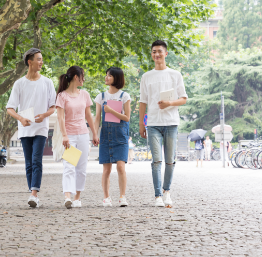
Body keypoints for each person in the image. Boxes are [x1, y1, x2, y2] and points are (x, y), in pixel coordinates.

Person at [139, 40, 188, 207]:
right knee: (156, 161)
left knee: (170, 160)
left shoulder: (175, 75)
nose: (156, 54)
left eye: (159, 51)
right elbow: (142, 102)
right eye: (153, 51)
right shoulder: (146, 76)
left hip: (171, 123)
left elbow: (183, 99)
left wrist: (169, 104)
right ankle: (157, 195)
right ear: (151, 54)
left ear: (166, 53)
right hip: (152, 123)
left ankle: (167, 191)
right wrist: (141, 124)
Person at [6, 48, 56, 208]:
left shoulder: (47, 82)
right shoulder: (19, 84)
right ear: (30, 62)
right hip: (25, 129)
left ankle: (34, 194)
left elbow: (53, 106)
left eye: (42, 59)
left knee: (36, 160)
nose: (41, 62)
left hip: (41, 128)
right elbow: (10, 108)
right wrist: (20, 118)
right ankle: (32, 192)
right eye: (39, 59)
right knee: (28, 163)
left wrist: (44, 115)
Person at [56, 66, 99, 209]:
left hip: (83, 135)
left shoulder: (84, 94)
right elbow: (60, 118)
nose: (84, 79)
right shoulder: (62, 96)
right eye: (83, 76)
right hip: (70, 136)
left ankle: (77, 197)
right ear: (76, 77)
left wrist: (94, 133)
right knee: (69, 167)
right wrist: (64, 135)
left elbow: (89, 116)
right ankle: (67, 197)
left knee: (81, 168)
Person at [94, 67, 131, 207]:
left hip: (120, 135)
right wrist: (95, 133)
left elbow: (127, 118)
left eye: (109, 75)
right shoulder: (101, 96)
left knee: (121, 167)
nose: (106, 77)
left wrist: (111, 111)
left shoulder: (124, 96)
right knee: (106, 169)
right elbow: (97, 117)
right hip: (105, 135)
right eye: (106, 75)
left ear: (117, 78)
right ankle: (106, 197)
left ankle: (122, 196)